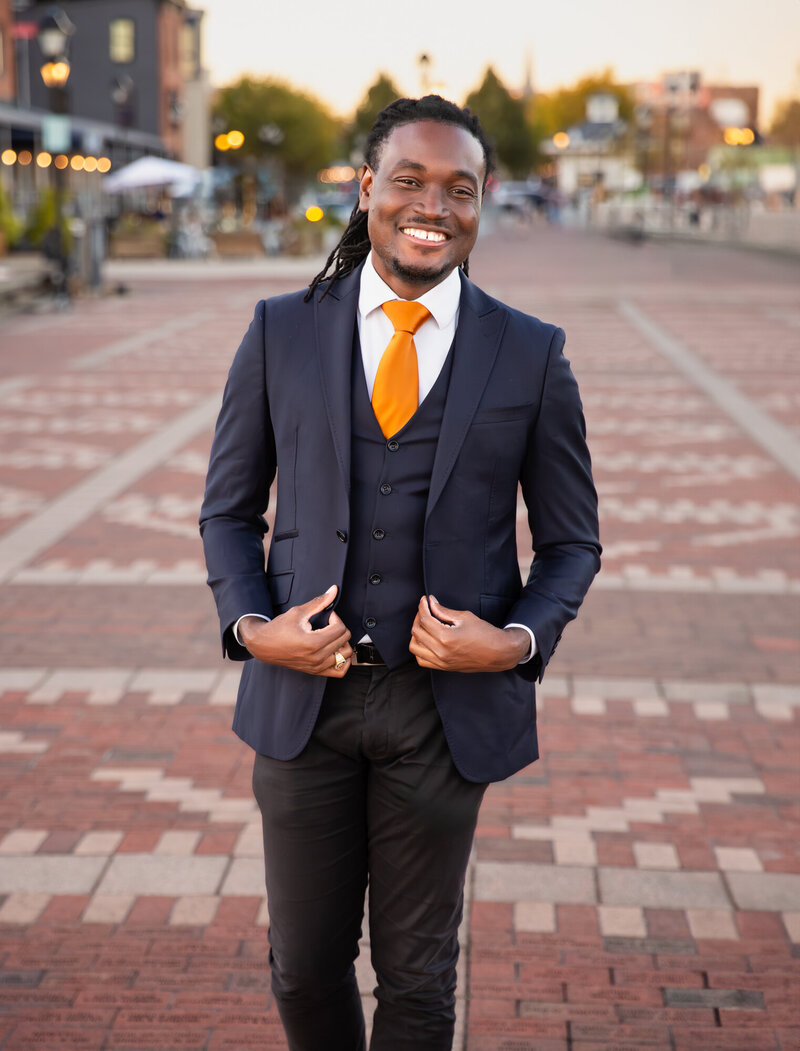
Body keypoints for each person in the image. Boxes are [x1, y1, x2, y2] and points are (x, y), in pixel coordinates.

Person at [200, 95, 600, 1051]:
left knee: (419, 980)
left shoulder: (531, 352)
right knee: (301, 965)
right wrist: (253, 629)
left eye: (459, 188)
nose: (434, 205)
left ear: (484, 202)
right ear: (368, 187)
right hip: (304, 708)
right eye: (410, 181)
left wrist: (512, 641)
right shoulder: (282, 329)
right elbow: (227, 508)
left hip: (442, 719)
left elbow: (573, 542)